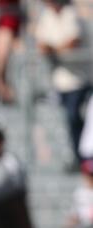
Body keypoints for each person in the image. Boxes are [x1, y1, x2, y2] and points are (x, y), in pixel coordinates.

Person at [36, 0, 92, 166]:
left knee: (75, 118)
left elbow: (73, 42)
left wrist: (54, 50)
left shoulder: (71, 14)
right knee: (69, 120)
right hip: (60, 82)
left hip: (79, 81)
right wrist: (58, 50)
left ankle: (84, 158)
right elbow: (42, 45)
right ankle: (81, 158)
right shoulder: (46, 16)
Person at [0, 0, 22, 104]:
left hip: (13, 23)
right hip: (5, 23)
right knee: (1, 55)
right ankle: (1, 83)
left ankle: (2, 83)